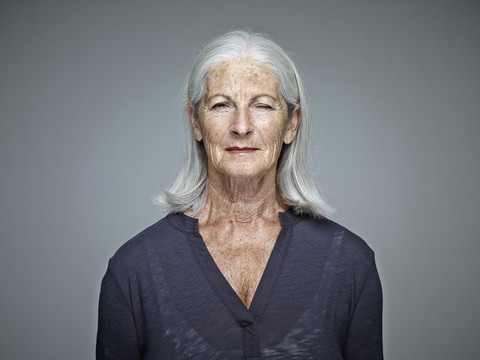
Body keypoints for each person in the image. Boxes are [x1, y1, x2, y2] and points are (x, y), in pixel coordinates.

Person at [96, 30, 383, 359]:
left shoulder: (349, 263)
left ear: (292, 124)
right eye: (221, 105)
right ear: (196, 122)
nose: (242, 126)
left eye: (262, 105)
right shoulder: (135, 269)